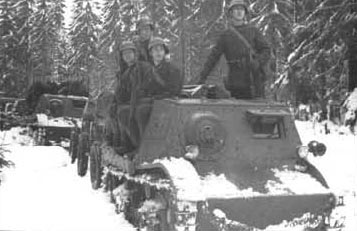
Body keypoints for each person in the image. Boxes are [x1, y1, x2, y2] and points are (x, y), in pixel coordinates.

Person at [198, 0, 271, 99]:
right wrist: (201, 79)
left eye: (242, 9)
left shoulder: (253, 31)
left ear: (245, 13)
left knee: (257, 110)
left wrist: (258, 62)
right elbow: (213, 58)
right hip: (236, 82)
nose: (239, 12)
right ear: (231, 13)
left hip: (254, 80)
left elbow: (266, 50)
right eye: (236, 9)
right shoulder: (226, 35)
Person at [111, 40, 164, 154]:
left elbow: (155, 84)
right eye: (125, 54)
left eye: (130, 53)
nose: (128, 56)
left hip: (148, 101)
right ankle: (130, 145)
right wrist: (115, 102)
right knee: (121, 112)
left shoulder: (145, 67)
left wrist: (143, 91)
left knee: (139, 112)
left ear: (135, 54)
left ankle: (143, 147)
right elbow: (121, 92)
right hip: (134, 102)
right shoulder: (126, 73)